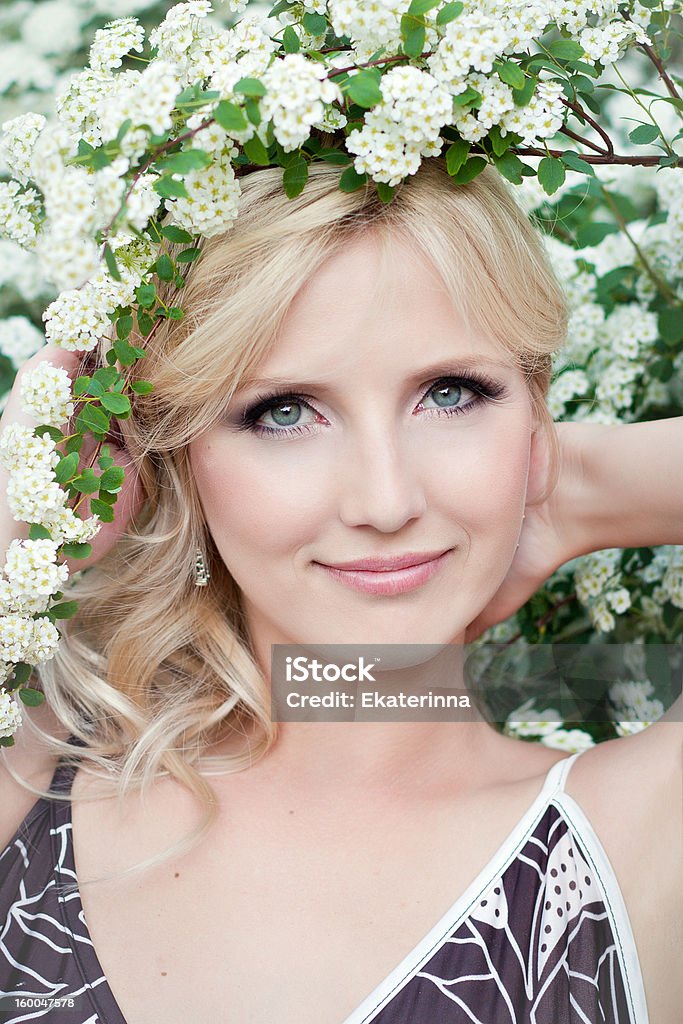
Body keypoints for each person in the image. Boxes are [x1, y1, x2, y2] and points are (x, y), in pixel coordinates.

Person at [0, 159, 681, 1024]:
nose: (386, 502)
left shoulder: (637, 833)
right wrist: (18, 530)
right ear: (173, 451)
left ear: (533, 409)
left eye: (451, 393)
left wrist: (567, 483)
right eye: (284, 411)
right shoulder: (37, 765)